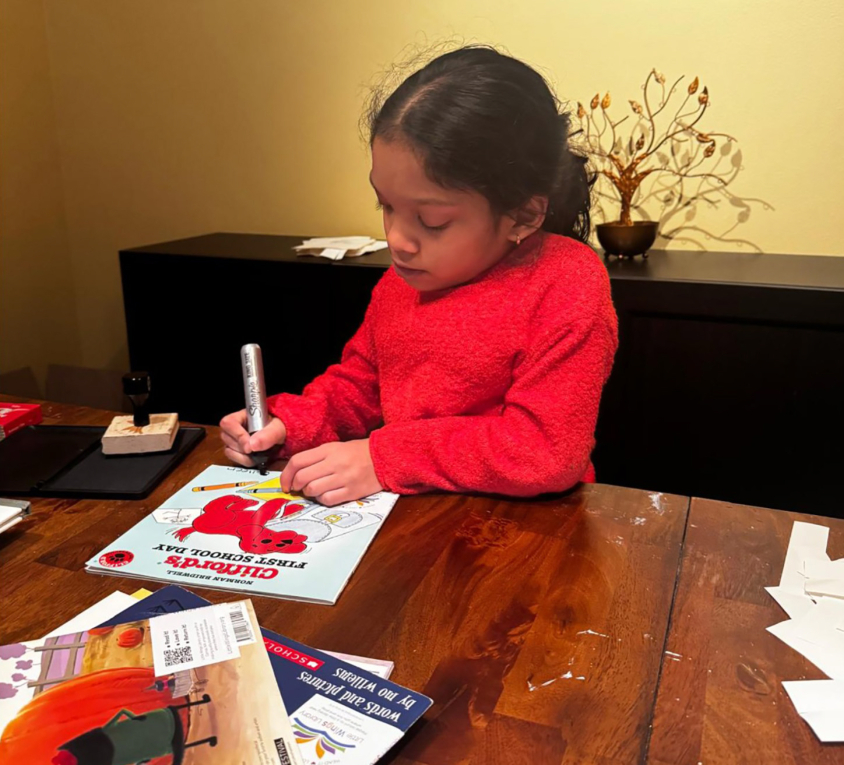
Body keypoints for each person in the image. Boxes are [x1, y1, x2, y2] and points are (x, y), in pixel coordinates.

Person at [221, 46, 617, 506]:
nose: (398, 239)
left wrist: (383, 458)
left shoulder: (566, 281)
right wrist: (289, 423)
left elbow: (544, 452)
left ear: (523, 214)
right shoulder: (403, 281)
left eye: (432, 221)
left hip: (521, 530)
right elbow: (361, 387)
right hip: (409, 514)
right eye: (385, 205)